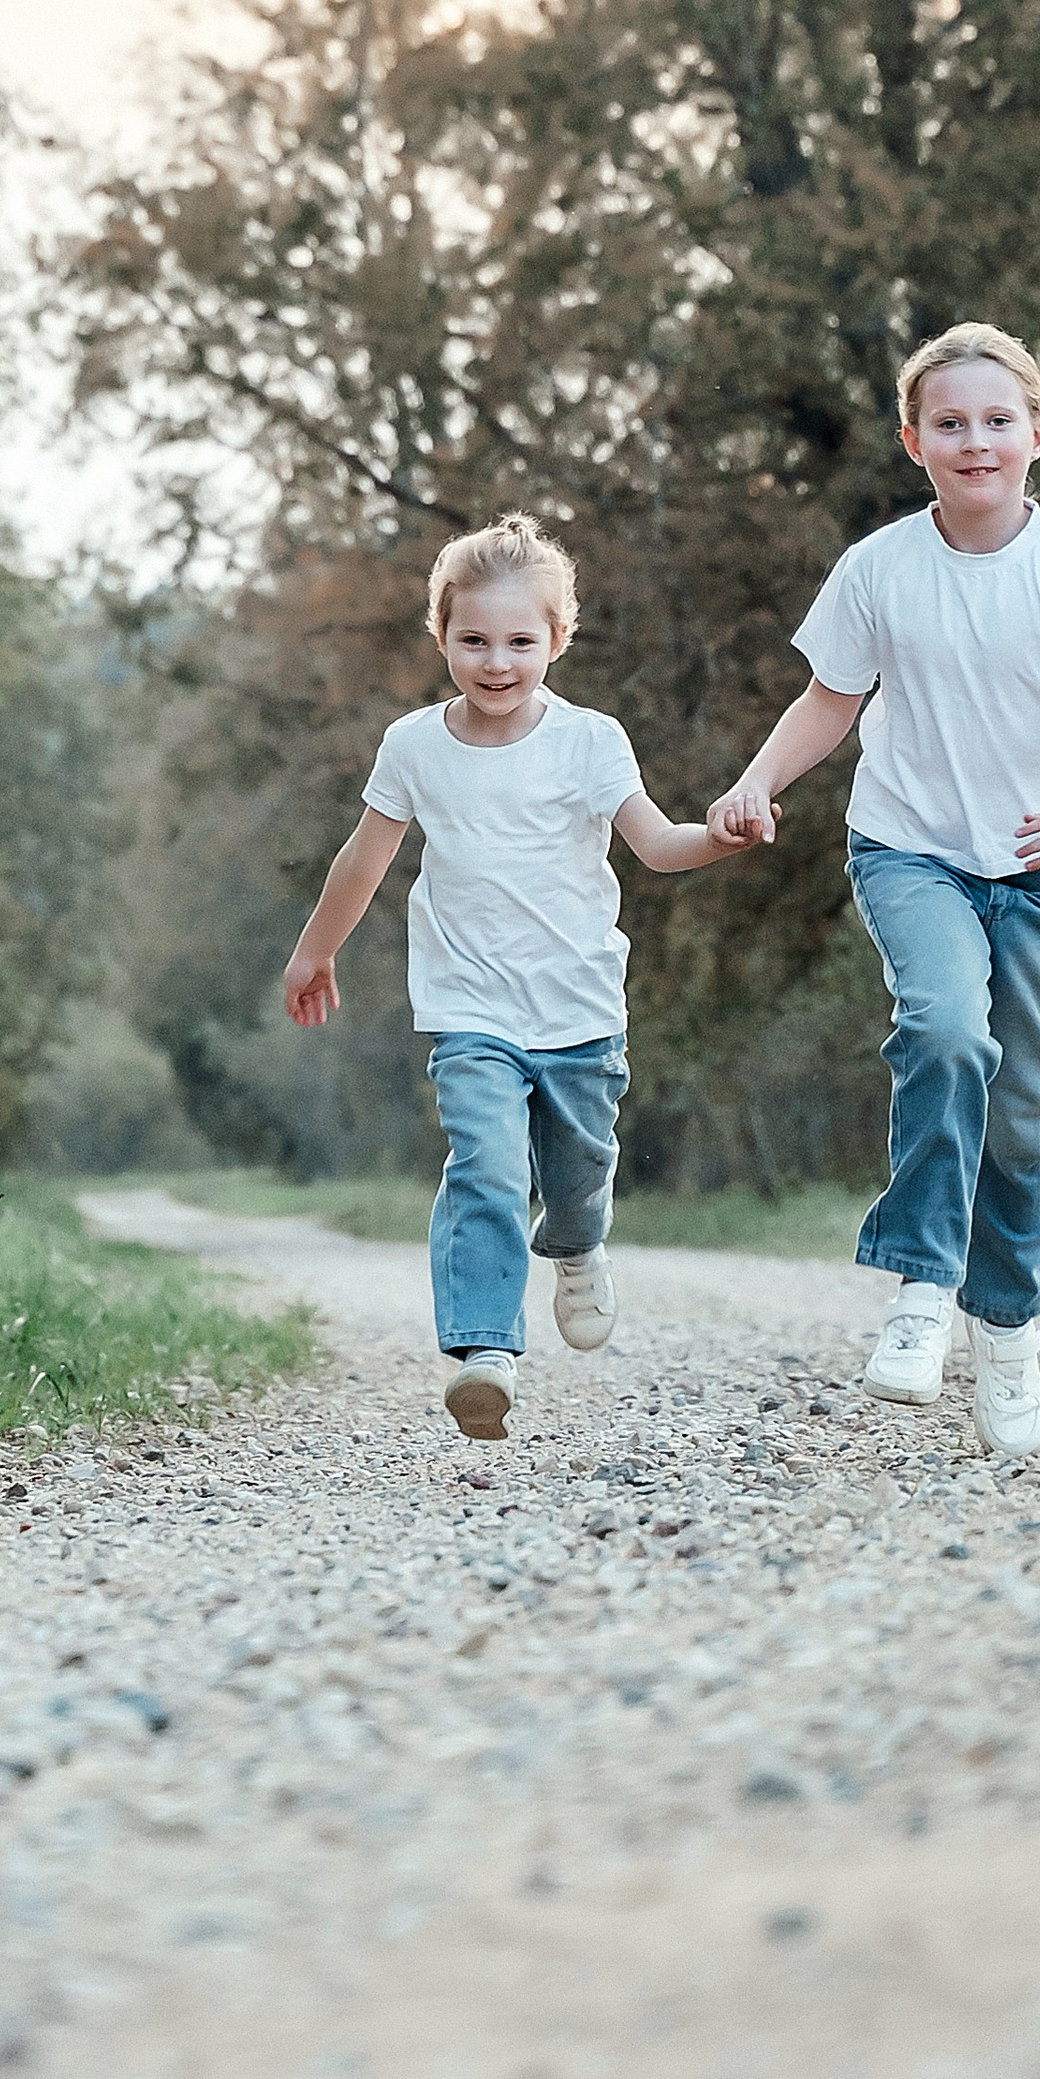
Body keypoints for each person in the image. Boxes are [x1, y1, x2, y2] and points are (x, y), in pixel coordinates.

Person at [707, 322, 1040, 1461]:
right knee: (946, 1032)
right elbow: (831, 697)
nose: (977, 440)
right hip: (908, 848)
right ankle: (921, 1286)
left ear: (1038, 434)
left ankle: (1005, 1334)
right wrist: (757, 779)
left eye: (998, 419)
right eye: (951, 423)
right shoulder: (879, 568)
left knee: (1021, 1111)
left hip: (1038, 869)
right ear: (914, 441)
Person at [283, 510, 745, 1442]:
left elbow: (654, 845)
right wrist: (315, 947)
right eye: (474, 639)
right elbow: (365, 860)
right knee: (486, 1167)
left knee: (576, 1175)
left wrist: (718, 835)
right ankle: (485, 1351)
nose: (497, 661)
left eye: (521, 641)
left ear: (558, 640)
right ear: (442, 635)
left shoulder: (590, 741)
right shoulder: (414, 744)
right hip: (469, 1004)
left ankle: (575, 1247)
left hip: (577, 1005)